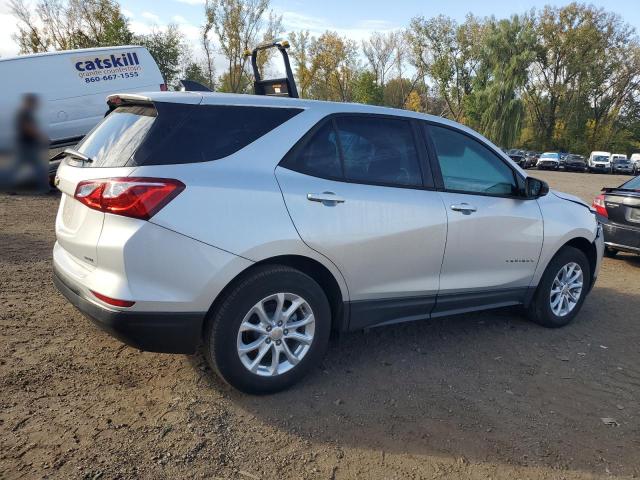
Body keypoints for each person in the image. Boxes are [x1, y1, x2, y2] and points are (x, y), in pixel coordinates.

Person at [15, 94, 49, 192]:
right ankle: (43, 188)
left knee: (18, 166)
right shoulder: (24, 114)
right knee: (39, 167)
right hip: (27, 144)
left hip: (25, 144)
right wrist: (41, 137)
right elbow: (28, 128)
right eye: (34, 103)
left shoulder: (25, 113)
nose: (36, 105)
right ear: (29, 103)